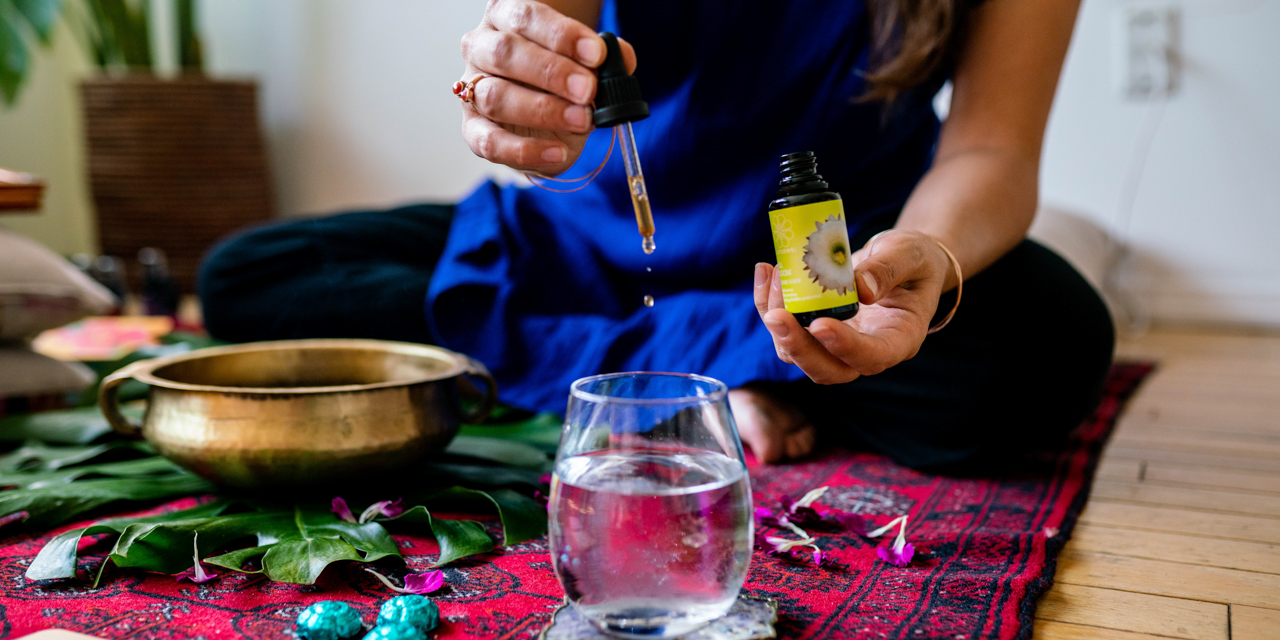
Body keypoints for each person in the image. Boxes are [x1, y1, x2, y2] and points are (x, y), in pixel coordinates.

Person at [200, 0, 1113, 471]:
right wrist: (518, 72)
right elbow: (545, 22)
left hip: (831, 264)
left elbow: (992, 148)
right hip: (581, 247)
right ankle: (735, 372)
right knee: (252, 276)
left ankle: (648, 369)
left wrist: (927, 257)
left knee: (1049, 345)